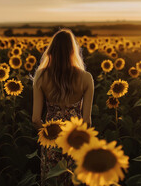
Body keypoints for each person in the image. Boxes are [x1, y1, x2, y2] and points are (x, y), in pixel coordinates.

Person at [32, 28, 94, 186]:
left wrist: (52, 138)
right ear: (73, 51)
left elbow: (35, 119)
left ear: (51, 50)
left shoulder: (41, 76)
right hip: (75, 141)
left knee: (52, 181)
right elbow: (87, 121)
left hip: (51, 143)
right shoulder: (86, 78)